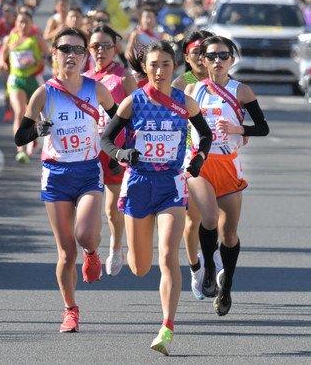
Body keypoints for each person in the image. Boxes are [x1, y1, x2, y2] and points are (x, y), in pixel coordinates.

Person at [100, 40, 212, 355]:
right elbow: (107, 139)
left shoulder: (184, 102)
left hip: (170, 185)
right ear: (144, 68)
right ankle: (127, 252)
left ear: (174, 66)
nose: (160, 71)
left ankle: (166, 327)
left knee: (167, 257)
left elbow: (205, 133)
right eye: (153, 65)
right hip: (137, 184)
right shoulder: (133, 102)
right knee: (139, 267)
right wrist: (122, 153)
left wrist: (200, 156)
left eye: (165, 64)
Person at [14, 27, 116, 333]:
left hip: (87, 170)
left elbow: (119, 122)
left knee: (85, 235)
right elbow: (21, 136)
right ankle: (70, 310)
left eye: (77, 50)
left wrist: (115, 149)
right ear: (54, 54)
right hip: (56, 175)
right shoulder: (44, 93)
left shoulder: (96, 89)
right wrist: (39, 130)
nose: (71, 55)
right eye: (65, 50)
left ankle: (93, 253)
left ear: (86, 56)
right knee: (65, 253)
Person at [184, 35, 269, 316]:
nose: (217, 61)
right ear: (203, 60)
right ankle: (208, 266)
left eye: (223, 56)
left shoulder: (241, 90)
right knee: (207, 218)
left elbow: (263, 128)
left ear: (232, 59)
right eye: (211, 56)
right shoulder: (192, 89)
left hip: (229, 166)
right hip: (200, 165)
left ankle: (227, 286)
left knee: (228, 234)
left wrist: (237, 130)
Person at [172, 29, 224, 300]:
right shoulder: (183, 83)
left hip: (223, 157)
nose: (204, 59)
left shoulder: (223, 80)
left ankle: (213, 254)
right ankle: (196, 268)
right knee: (193, 219)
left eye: (210, 54)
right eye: (197, 54)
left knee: (216, 214)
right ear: (188, 57)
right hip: (190, 157)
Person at [85, 25, 137, 276]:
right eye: (95, 46)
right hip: (87, 151)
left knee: (111, 208)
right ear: (88, 49)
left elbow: (139, 116)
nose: (101, 51)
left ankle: (116, 247)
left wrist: (127, 150)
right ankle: (90, 250)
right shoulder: (83, 78)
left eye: (106, 46)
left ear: (115, 48)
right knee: (88, 207)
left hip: (115, 150)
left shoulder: (123, 77)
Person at [0, 10, 48, 163]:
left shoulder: (36, 39)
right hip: (16, 80)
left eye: (26, 21)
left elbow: (46, 57)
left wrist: (34, 62)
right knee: (19, 112)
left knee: (33, 115)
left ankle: (34, 136)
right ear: (16, 23)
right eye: (20, 21)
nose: (23, 25)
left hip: (33, 79)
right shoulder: (10, 38)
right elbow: (3, 51)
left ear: (31, 23)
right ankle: (20, 149)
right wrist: (1, 61)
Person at [125, 6, 162, 87]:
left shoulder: (159, 35)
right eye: (146, 17)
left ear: (155, 19)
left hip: (155, 72)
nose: (149, 20)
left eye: (151, 17)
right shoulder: (137, 34)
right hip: (139, 73)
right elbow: (128, 53)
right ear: (141, 20)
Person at [43, 0, 69, 77]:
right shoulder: (53, 20)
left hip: (70, 50)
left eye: (65, 5)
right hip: (57, 51)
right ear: (56, 7)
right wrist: (57, 31)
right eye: (61, 5)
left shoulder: (70, 18)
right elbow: (45, 37)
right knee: (57, 74)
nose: (64, 8)